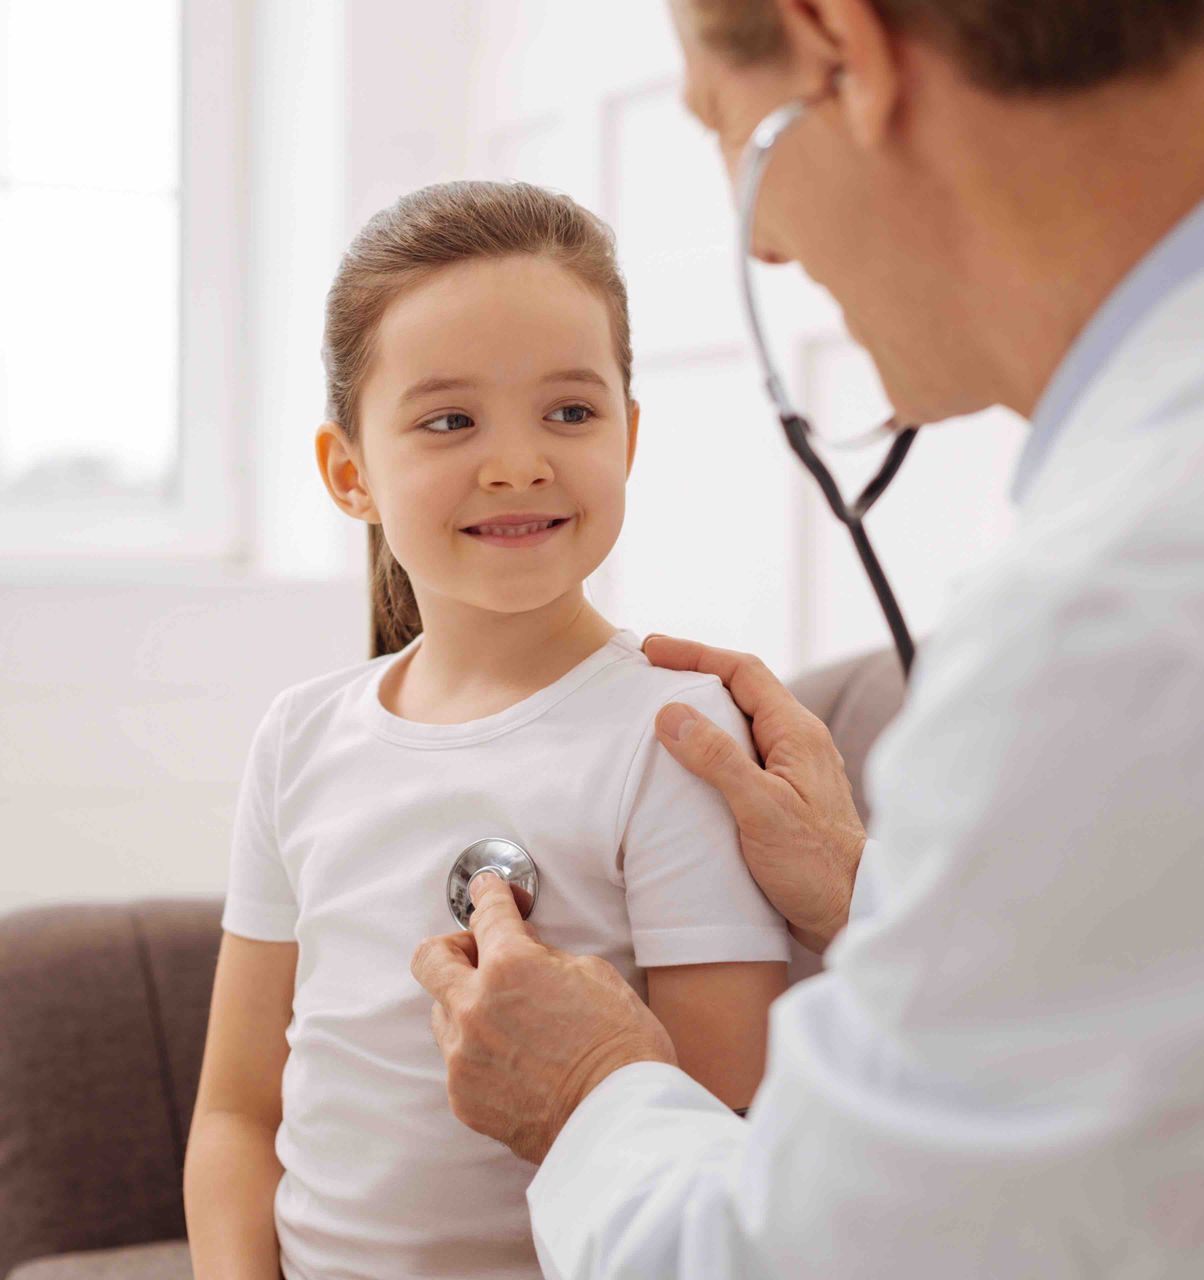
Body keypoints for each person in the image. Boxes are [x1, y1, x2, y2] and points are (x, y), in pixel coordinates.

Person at [410, 0, 1204, 1276]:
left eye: (723, 127)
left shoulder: (1147, 615)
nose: (776, 247)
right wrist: (883, 903)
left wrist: (586, 1089)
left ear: (836, 49)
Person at [183, 181, 791, 1280]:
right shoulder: (299, 737)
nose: (518, 461)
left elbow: (716, 1130)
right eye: (450, 419)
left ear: (630, 435)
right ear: (350, 472)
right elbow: (235, 1108)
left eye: (570, 410)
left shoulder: (680, 734)